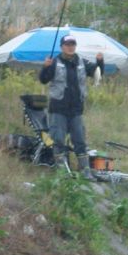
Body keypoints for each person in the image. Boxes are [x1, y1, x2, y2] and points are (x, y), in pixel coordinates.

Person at [39, 34, 104, 180]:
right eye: (67, 44)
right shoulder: (54, 62)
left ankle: (85, 170)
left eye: (72, 44)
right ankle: (62, 170)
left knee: (80, 140)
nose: (70, 47)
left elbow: (98, 72)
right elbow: (43, 79)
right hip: (58, 108)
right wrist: (45, 67)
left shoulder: (82, 61)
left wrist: (100, 61)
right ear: (62, 47)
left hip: (76, 109)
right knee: (59, 139)